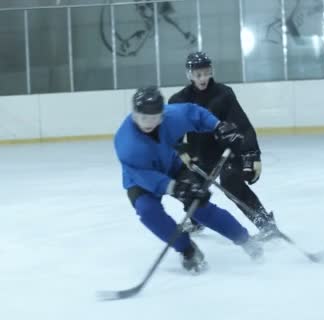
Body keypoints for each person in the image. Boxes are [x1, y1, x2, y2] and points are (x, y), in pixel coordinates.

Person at [113, 85, 263, 274]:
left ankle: (244, 239)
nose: (149, 123)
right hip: (141, 180)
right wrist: (175, 187)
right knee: (148, 211)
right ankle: (188, 250)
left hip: (173, 166)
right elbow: (143, 175)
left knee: (199, 207)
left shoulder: (172, 116)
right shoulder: (126, 142)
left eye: (154, 117)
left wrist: (218, 126)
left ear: (162, 114)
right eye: (143, 117)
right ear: (134, 114)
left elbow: (195, 113)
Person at [168, 51, 278, 240]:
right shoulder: (179, 100)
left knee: (232, 183)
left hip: (227, 152)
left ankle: (265, 223)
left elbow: (242, 125)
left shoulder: (224, 94)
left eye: (206, 72)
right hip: (199, 154)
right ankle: (196, 221)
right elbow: (172, 131)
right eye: (198, 74)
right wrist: (180, 149)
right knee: (189, 187)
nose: (203, 78)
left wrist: (253, 155)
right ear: (189, 75)